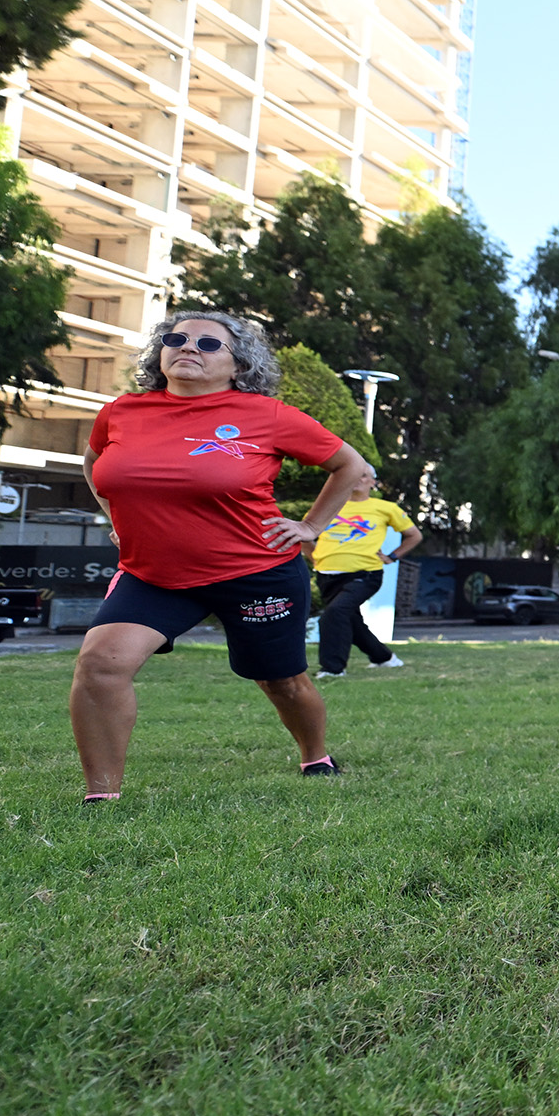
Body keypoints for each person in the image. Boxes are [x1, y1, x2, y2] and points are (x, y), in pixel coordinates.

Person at [70, 311, 370, 801]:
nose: (188, 347)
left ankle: (315, 755)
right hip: (154, 575)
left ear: (237, 365)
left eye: (209, 344)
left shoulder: (268, 415)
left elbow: (348, 464)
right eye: (176, 339)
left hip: (257, 572)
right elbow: (95, 463)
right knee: (101, 663)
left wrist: (310, 526)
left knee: (282, 682)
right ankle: (101, 796)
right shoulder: (121, 411)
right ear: (160, 354)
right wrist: (115, 518)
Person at [310, 468, 419, 678]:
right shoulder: (328, 506)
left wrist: (392, 556)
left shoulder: (385, 508)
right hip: (326, 573)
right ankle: (384, 659)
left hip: (365, 573)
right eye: (351, 474)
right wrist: (315, 556)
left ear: (372, 482)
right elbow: (306, 534)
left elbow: (414, 535)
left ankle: (333, 669)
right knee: (350, 620)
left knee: (334, 614)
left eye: (362, 475)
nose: (357, 479)